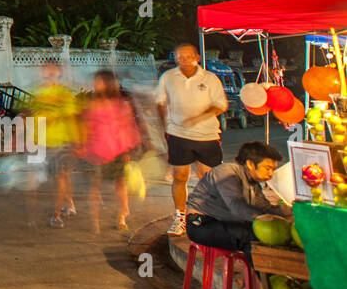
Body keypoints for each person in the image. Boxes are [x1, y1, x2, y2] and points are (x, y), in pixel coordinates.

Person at [157, 44, 229, 235]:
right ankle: (180, 218)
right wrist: (164, 126)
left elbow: (221, 105)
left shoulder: (209, 79)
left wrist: (199, 117)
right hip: (178, 135)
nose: (185, 61)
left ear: (197, 57)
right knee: (180, 177)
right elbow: (160, 103)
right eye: (180, 57)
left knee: (206, 178)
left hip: (207, 135)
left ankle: (202, 215)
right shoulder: (168, 78)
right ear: (176, 58)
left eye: (189, 56)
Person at [185, 141, 292, 260]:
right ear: (250, 164)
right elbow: (237, 207)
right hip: (202, 224)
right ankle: (261, 278)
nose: (270, 174)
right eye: (267, 168)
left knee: (280, 235)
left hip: (226, 222)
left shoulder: (252, 182)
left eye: (273, 169)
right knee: (252, 237)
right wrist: (265, 218)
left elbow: (263, 207)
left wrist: (291, 212)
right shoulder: (227, 173)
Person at [79, 69, 143, 233]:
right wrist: (83, 144)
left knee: (120, 184)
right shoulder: (92, 102)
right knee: (95, 185)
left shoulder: (121, 103)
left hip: (117, 149)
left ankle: (122, 214)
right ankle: (95, 221)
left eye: (98, 81)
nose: (95, 84)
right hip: (97, 149)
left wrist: (128, 150)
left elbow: (128, 126)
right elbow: (87, 125)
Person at [31, 60, 79, 227]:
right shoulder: (38, 94)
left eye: (52, 70)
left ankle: (57, 214)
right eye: (46, 69)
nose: (48, 73)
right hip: (42, 142)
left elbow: (71, 118)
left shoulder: (64, 94)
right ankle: (68, 202)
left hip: (61, 141)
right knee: (56, 177)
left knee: (61, 177)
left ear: (58, 73)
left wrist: (75, 141)